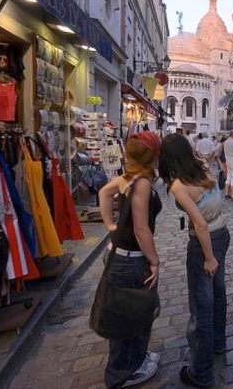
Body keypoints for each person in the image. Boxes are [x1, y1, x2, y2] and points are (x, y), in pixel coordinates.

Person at [157, 134, 231, 388]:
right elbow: (215, 195)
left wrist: (208, 257)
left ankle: (201, 372)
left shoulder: (179, 185)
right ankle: (218, 343)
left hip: (205, 244)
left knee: (202, 307)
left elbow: (199, 224)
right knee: (219, 293)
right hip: (222, 233)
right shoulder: (201, 165)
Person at [96, 132, 164, 388]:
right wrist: (154, 261)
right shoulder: (142, 181)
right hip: (131, 258)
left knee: (131, 313)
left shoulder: (131, 177)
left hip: (123, 254)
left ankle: (134, 360)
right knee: (131, 315)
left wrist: (111, 225)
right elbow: (140, 229)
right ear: (152, 154)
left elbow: (104, 193)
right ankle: (124, 372)